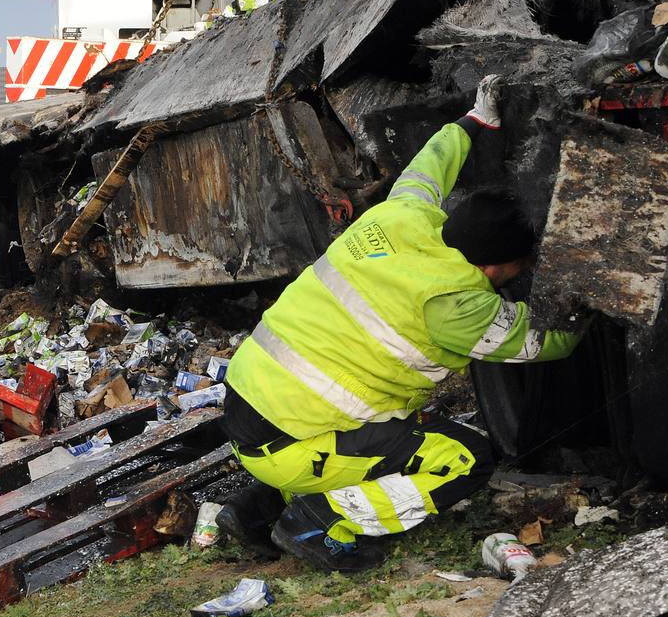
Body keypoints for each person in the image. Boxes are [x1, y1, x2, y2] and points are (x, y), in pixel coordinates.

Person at [216, 75, 588, 571]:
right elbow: (548, 341)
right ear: (499, 268)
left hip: (249, 401)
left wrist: (474, 121)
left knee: (343, 427)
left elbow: (430, 165)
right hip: (289, 440)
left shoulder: (402, 214)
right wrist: (595, 295)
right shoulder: (456, 304)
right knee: (466, 458)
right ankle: (319, 522)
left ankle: (252, 512)